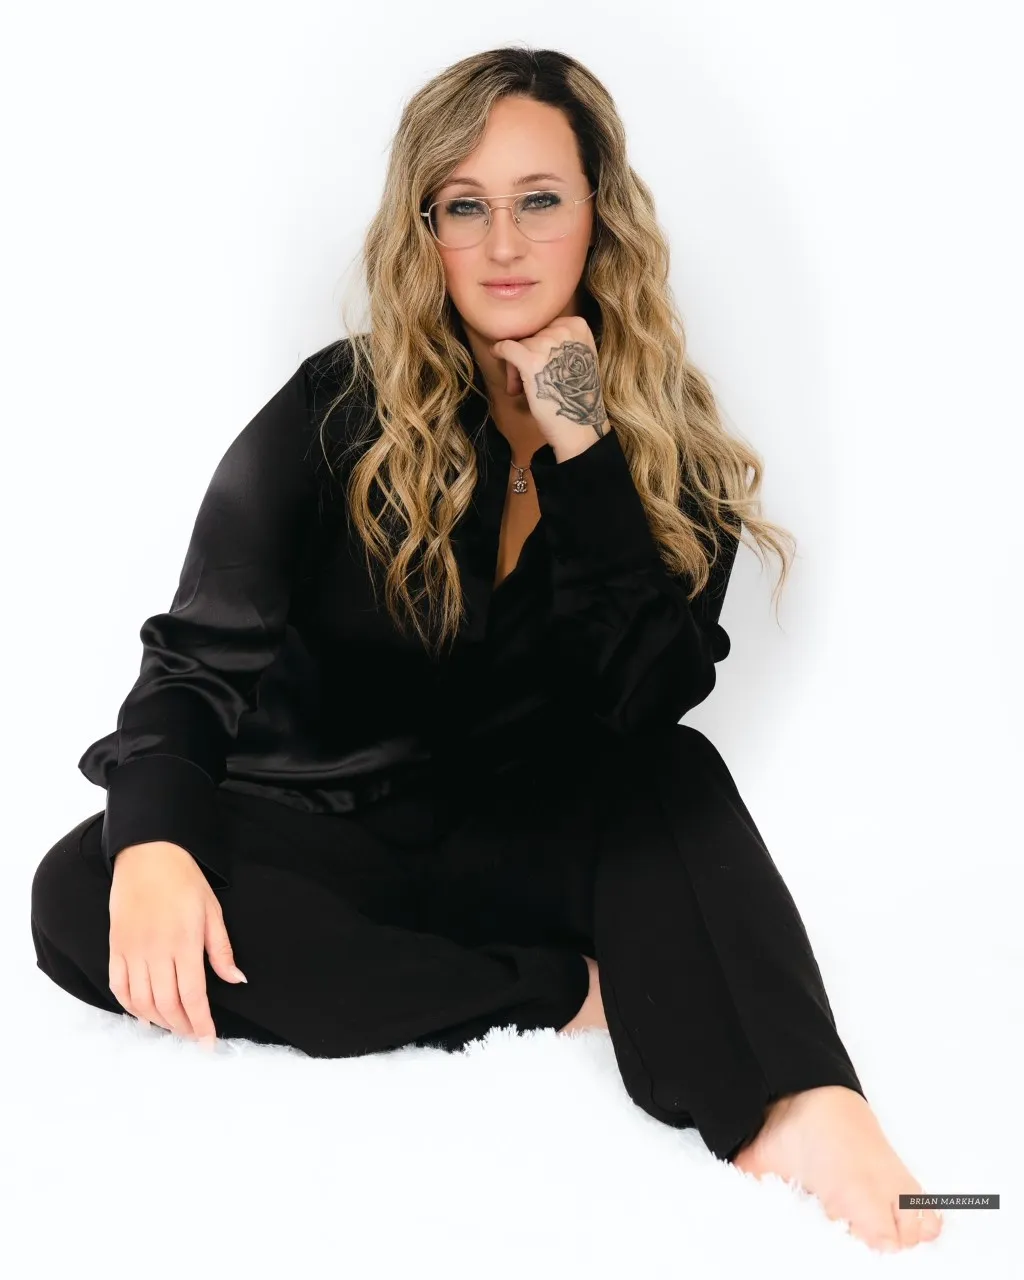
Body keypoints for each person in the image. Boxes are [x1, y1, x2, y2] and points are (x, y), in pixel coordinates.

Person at [30, 46, 941, 1254]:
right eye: (465, 207)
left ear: (598, 213)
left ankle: (804, 1108)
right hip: (313, 835)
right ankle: (560, 987)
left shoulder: (674, 461)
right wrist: (153, 842)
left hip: (516, 845)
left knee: (674, 773)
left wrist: (582, 444)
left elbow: (645, 697)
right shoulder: (336, 407)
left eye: (539, 199)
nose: (504, 243)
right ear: (427, 233)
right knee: (79, 885)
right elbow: (196, 657)